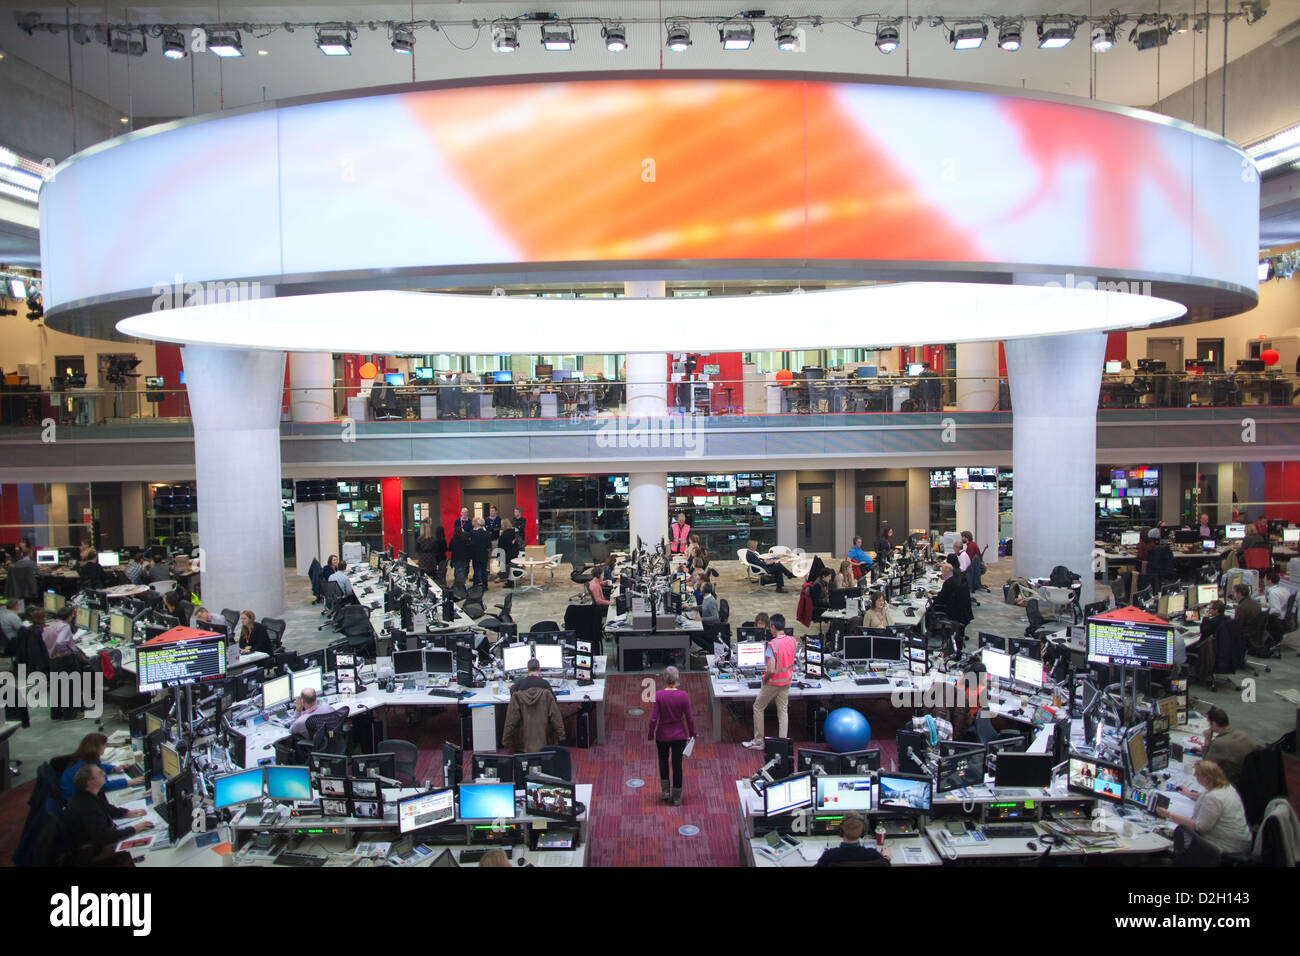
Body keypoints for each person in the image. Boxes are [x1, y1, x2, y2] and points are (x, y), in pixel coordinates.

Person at [1156, 759, 1252, 856]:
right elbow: (1205, 795)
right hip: (1241, 840)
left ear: (1207, 778)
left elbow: (1199, 827)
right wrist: (1188, 794)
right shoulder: (1225, 787)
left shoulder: (1214, 798)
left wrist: (1169, 815)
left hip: (1225, 846)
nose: (1194, 776)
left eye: (1197, 773)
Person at [63, 765, 152, 863]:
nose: (104, 774)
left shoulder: (85, 795)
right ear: (90, 782)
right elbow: (105, 837)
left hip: (94, 840)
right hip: (95, 850)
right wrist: (134, 829)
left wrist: (126, 813)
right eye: (100, 774)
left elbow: (104, 807)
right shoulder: (87, 807)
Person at [743, 613, 796, 749]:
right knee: (783, 711)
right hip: (787, 682)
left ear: (773, 627)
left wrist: (764, 679)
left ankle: (759, 741)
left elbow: (771, 669)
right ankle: (782, 743)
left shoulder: (772, 645)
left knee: (758, 707)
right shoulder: (793, 640)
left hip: (773, 683)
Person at [647, 665, 696, 806]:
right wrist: (692, 733)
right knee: (677, 765)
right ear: (677, 678)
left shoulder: (659, 695)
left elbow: (653, 718)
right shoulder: (683, 696)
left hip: (662, 735)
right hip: (679, 736)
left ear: (664, 679)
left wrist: (651, 733)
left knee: (663, 761)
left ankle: (665, 791)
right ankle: (677, 797)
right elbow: (690, 718)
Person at [503, 658, 565, 752]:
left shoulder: (519, 685)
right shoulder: (545, 684)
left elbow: (511, 718)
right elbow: (554, 708)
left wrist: (506, 740)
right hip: (544, 735)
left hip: (523, 737)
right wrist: (561, 735)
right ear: (539, 669)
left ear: (528, 670)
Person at [60, 732, 145, 800]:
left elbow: (99, 767)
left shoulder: (86, 757)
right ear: (96, 748)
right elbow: (102, 785)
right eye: (104, 745)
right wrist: (129, 782)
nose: (105, 747)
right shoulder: (84, 766)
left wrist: (114, 768)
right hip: (74, 799)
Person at [1198, 707, 1258, 785]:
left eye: (1209, 723)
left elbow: (1206, 765)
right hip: (1249, 775)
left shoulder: (1220, 742)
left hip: (1232, 780)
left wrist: (1207, 740)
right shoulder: (1241, 734)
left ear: (1214, 724)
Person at [815, 812, 890, 866]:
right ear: (863, 832)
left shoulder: (829, 856)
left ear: (840, 832)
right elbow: (885, 864)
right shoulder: (874, 855)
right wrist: (887, 857)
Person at [932, 564, 973, 629]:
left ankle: (929, 627)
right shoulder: (954, 579)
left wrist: (930, 597)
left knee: (930, 606)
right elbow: (948, 594)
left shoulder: (948, 582)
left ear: (946, 571)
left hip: (951, 609)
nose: (941, 572)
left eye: (942, 570)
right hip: (959, 609)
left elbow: (941, 599)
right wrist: (937, 593)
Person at [3, 542, 37, 609]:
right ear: (30, 554)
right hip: (28, 587)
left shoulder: (16, 564)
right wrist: (52, 573)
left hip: (18, 587)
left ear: (22, 554)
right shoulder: (32, 563)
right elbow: (40, 573)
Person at [469, 517, 493, 589]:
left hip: (475, 554)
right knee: (484, 570)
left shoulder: (472, 533)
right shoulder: (486, 533)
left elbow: (471, 544)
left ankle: (475, 584)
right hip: (484, 554)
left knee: (476, 570)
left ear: (477, 523)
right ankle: (485, 585)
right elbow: (489, 545)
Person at [498, 519, 520, 587]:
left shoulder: (505, 534)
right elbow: (514, 543)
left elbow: (502, 544)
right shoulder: (513, 532)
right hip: (513, 552)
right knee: (512, 567)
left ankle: (509, 582)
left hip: (506, 553)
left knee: (507, 568)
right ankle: (512, 581)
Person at [450, 527, 472, 592]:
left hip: (455, 558)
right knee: (463, 571)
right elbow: (469, 547)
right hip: (463, 558)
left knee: (457, 571)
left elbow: (450, 548)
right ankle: (461, 585)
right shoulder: (465, 540)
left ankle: (457, 584)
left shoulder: (453, 540)